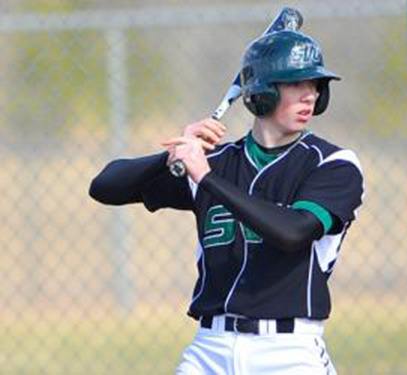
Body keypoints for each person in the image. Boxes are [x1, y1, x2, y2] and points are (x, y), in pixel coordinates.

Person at [89, 30, 364, 374]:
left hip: (288, 351)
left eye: (315, 84)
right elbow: (105, 187)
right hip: (210, 349)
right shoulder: (215, 161)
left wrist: (206, 178)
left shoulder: (332, 163)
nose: (309, 94)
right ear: (261, 92)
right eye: (295, 84)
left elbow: (293, 232)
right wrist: (172, 156)